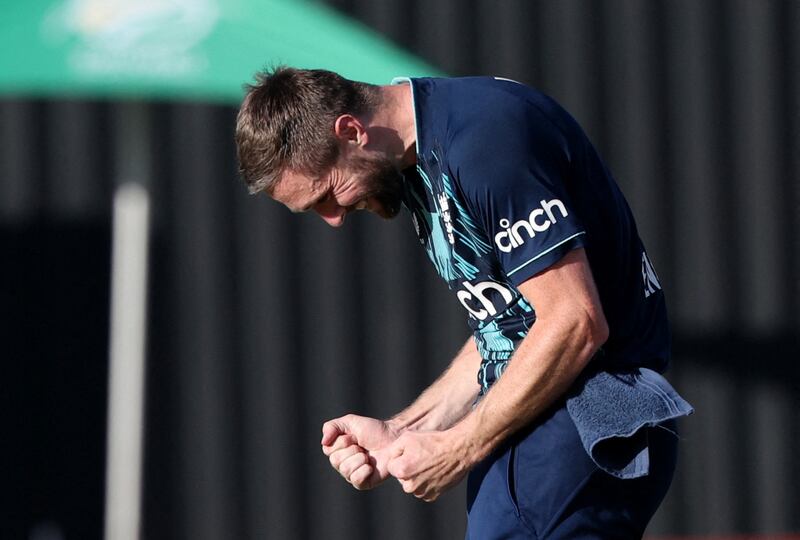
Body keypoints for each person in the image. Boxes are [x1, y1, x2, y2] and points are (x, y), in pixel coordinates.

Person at [235, 66, 693, 539]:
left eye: (327, 195)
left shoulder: (483, 140)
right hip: (543, 421)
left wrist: (458, 447)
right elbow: (507, 326)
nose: (333, 220)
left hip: (588, 415)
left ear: (351, 131)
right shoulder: (417, 154)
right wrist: (403, 430)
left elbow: (573, 321)